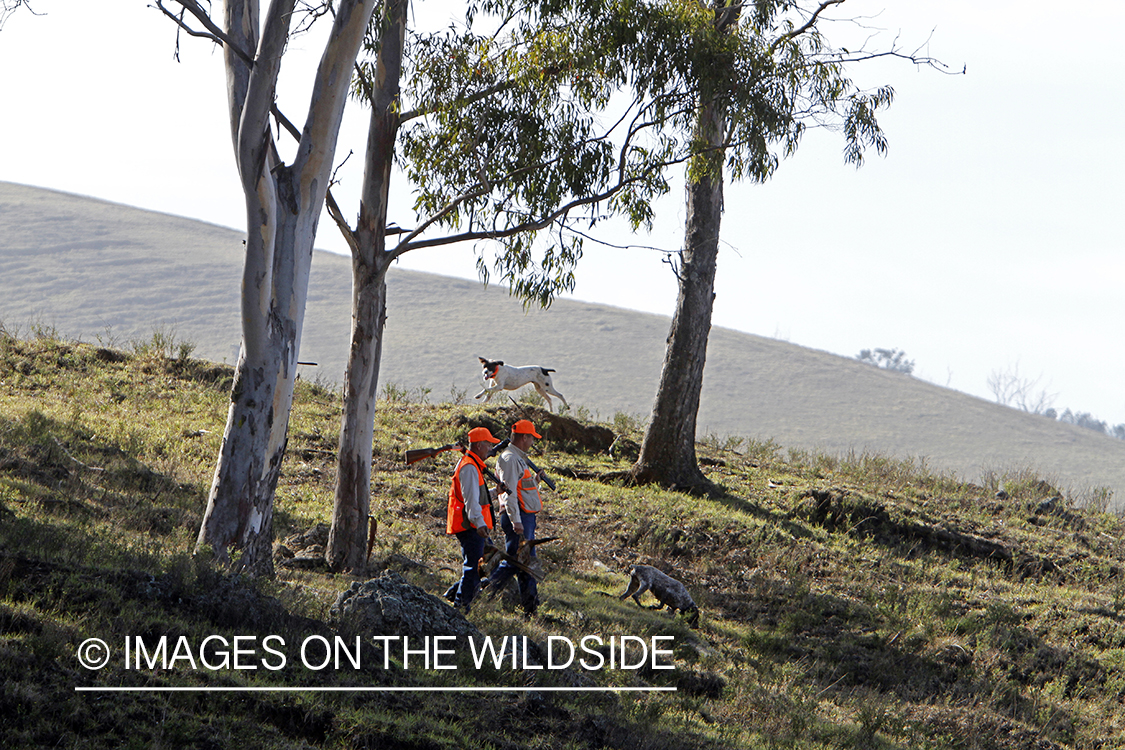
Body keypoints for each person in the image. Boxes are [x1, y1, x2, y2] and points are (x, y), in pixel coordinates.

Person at [486, 419, 548, 615]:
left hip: (523, 515)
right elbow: (508, 493)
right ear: (524, 437)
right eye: (531, 438)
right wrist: (517, 521)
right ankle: (483, 592)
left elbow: (522, 489)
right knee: (515, 561)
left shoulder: (517, 458)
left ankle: (531, 609)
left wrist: (536, 481)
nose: (532, 442)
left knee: (524, 563)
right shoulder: (511, 459)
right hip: (519, 517)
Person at [445, 426, 499, 613]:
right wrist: (480, 524)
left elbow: (478, 497)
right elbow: (470, 502)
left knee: (482, 563)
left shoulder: (473, 465)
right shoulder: (469, 467)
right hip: (471, 526)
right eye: (488, 445)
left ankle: (452, 596)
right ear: (478, 446)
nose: (491, 449)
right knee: (474, 567)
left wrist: (495, 493)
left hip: (474, 524)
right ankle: (460, 607)